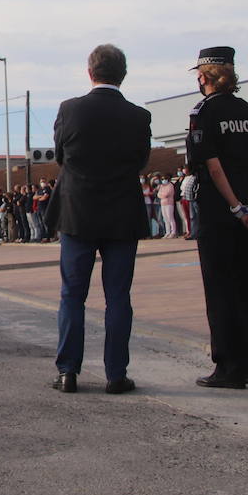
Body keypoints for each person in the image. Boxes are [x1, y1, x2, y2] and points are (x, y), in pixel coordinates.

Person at [48, 44, 149, 395]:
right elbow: (140, 162)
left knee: (72, 295)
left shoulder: (70, 110)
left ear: (90, 72)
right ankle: (115, 374)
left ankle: (67, 372)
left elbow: (61, 154)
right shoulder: (139, 116)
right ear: (123, 73)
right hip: (122, 213)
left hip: (78, 212)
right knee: (118, 296)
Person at [186, 47, 248, 389]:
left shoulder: (204, 111)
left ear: (204, 76)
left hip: (220, 211)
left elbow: (212, 165)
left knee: (220, 290)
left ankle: (229, 368)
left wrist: (236, 207)